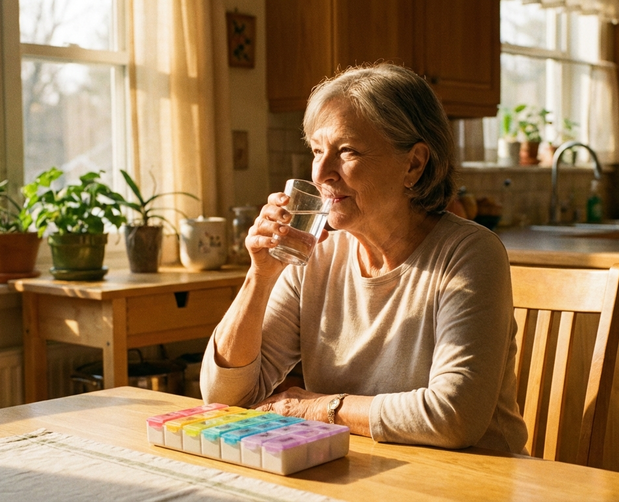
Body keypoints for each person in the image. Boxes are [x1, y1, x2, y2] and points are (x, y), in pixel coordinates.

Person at [200, 63, 528, 452]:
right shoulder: (314, 256)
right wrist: (261, 274)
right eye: (317, 151)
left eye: (347, 151)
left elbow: (454, 418)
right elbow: (223, 398)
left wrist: (319, 408)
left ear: (413, 164)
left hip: (471, 483)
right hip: (358, 474)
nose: (322, 173)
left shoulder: (470, 254)